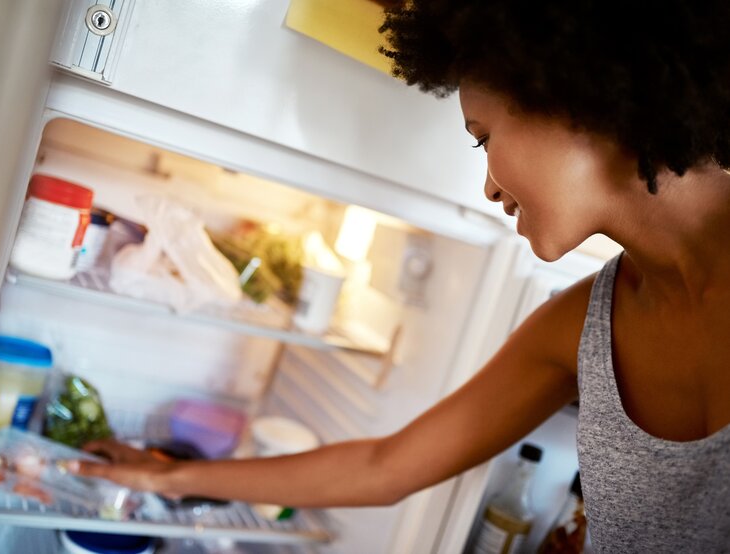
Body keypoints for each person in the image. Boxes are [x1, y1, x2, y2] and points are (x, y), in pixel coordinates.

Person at [69, 1, 730, 551]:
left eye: (483, 136)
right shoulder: (582, 323)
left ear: (574, 93)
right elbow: (386, 467)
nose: (490, 185)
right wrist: (173, 480)